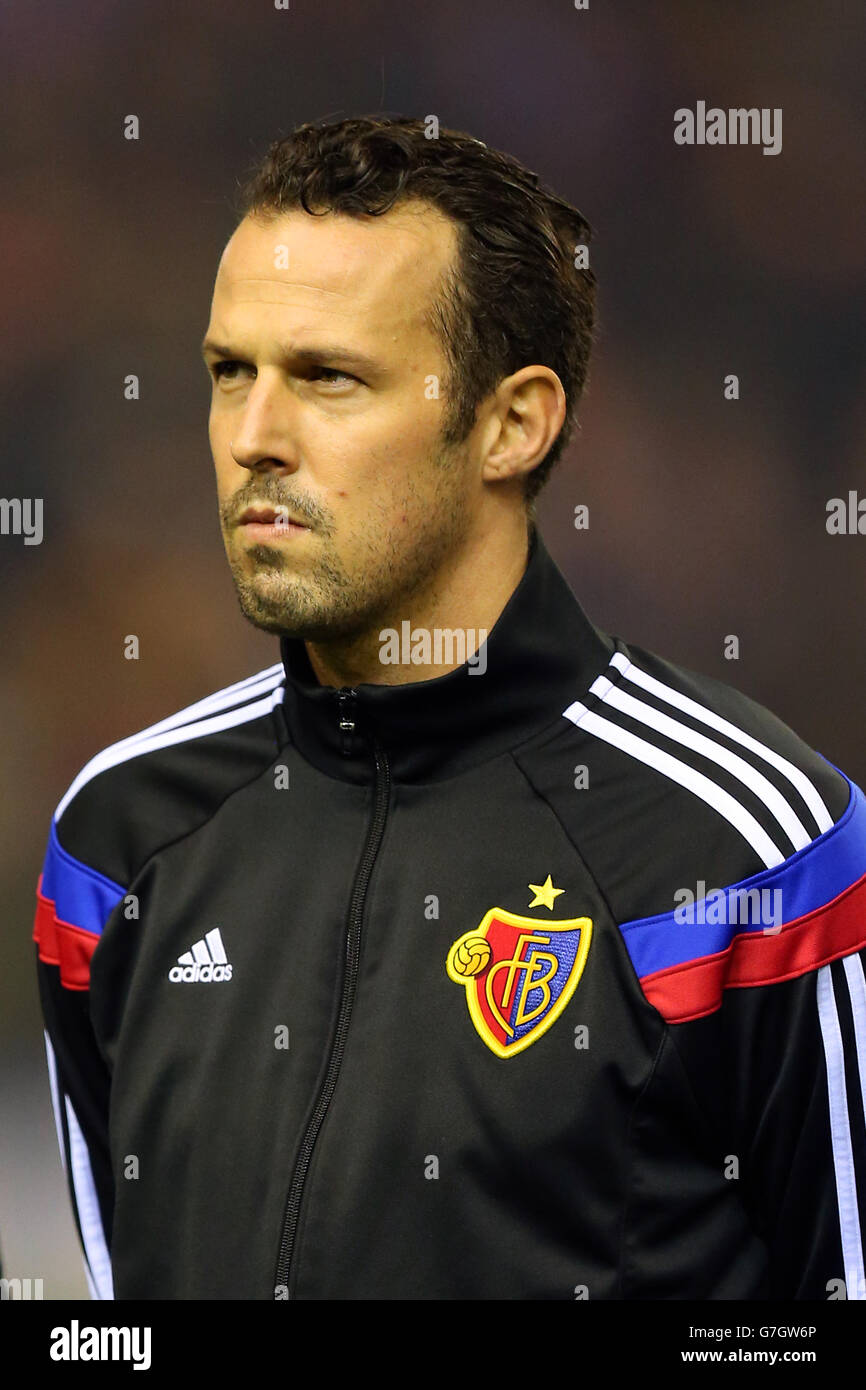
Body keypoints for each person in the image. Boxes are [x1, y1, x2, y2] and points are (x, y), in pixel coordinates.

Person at [34, 115, 866, 1301]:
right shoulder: (115, 843)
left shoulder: (753, 848)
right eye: (231, 373)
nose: (252, 439)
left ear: (510, 423)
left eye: (327, 377)